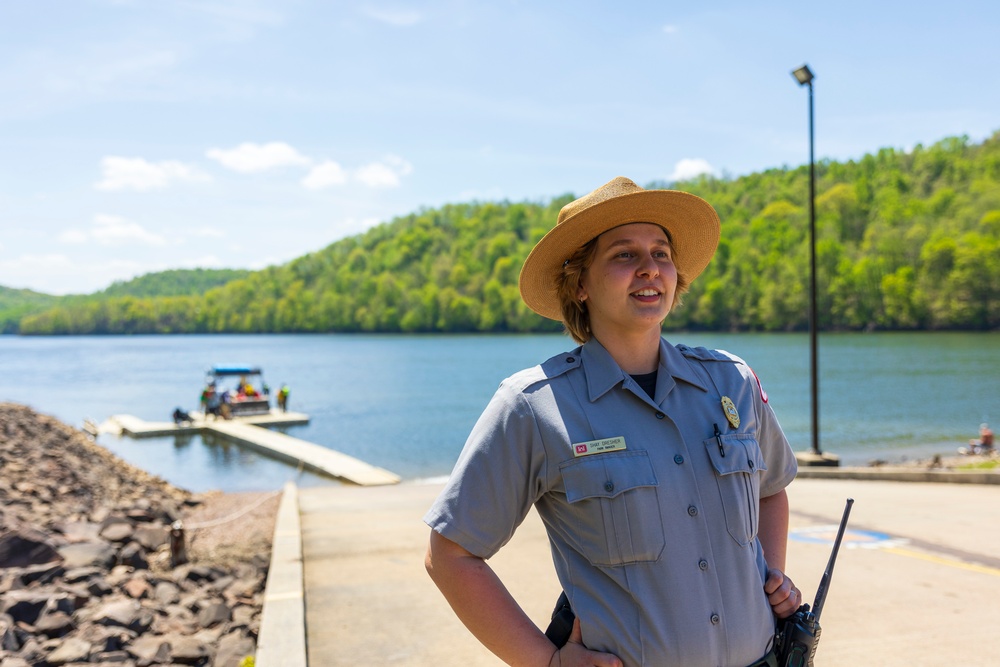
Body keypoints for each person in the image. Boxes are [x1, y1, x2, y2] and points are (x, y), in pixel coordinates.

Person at [424, 177, 801, 667]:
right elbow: (450, 555)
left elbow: (770, 488)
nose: (650, 268)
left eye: (661, 253)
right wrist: (547, 662)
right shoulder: (534, 406)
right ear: (580, 283)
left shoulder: (731, 382)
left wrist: (769, 577)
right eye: (624, 255)